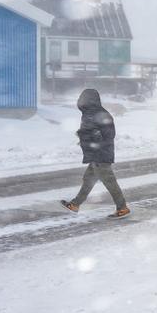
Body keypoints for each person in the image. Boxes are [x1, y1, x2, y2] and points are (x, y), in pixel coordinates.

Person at [61, 89, 130, 218]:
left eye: (82, 98)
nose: (80, 101)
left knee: (110, 182)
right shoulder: (90, 113)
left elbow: (109, 134)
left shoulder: (100, 114)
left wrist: (91, 138)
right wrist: (84, 137)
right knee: (88, 180)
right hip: (95, 153)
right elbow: (90, 130)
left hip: (101, 154)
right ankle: (75, 204)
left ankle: (122, 208)